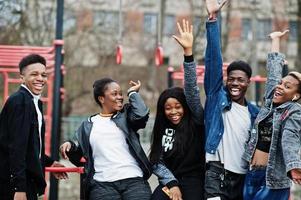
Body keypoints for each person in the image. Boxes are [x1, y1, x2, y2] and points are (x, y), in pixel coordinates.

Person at [201, 1, 260, 199]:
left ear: (248, 83)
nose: (235, 83)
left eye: (240, 80)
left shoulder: (254, 113)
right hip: (217, 174)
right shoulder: (217, 98)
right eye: (231, 78)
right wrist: (213, 21)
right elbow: (213, 61)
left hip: (243, 178)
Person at [59, 78, 152, 200]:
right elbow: (80, 157)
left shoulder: (126, 116)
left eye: (120, 94)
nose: (120, 97)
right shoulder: (87, 125)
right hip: (102, 185)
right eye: (114, 94)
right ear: (101, 99)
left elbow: (141, 115)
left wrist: (133, 93)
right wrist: (70, 146)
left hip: (134, 181)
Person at [149, 19, 205, 200]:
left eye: (178, 107)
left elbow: (191, 90)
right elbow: (156, 161)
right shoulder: (162, 126)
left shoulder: (195, 119)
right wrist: (172, 184)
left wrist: (188, 54)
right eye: (168, 108)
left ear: (185, 107)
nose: (173, 112)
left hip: (194, 181)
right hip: (169, 180)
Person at [242, 29, 301, 199]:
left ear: (295, 96)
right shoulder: (269, 102)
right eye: (282, 83)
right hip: (251, 173)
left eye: (287, 87)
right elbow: (274, 72)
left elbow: (290, 138)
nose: (280, 86)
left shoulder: (294, 112)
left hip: (273, 180)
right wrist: (276, 40)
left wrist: (293, 165)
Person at [0, 54, 67, 200]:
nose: (40, 79)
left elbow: (30, 145)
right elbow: (16, 147)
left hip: (26, 180)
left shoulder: (34, 102)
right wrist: (19, 188)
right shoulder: (19, 102)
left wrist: (50, 162)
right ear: (22, 78)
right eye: (34, 74)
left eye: (43, 75)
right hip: (13, 185)